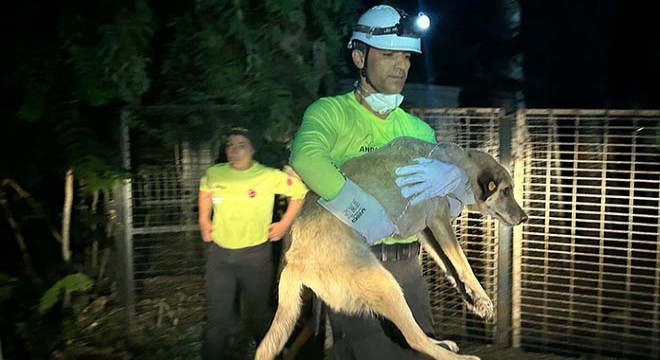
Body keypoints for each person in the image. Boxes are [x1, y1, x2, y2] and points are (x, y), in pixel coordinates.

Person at [289, 4, 474, 359]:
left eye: (405, 56)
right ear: (359, 57)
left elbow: (445, 210)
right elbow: (306, 158)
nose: (401, 65)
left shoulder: (417, 129)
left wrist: (453, 182)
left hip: (408, 266)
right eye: (388, 54)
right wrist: (360, 211)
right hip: (350, 262)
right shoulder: (330, 112)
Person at [199, 127, 308, 360]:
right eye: (230, 145)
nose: (234, 151)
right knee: (218, 319)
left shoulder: (268, 176)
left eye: (241, 145)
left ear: (252, 149)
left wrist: (284, 223)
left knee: (259, 315)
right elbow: (205, 190)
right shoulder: (215, 173)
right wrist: (203, 219)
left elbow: (299, 193)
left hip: (255, 257)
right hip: (220, 257)